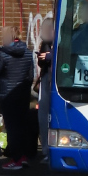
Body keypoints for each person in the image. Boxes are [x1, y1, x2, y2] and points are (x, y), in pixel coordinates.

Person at [0, 25, 34, 170]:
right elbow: (31, 76)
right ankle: (24, 156)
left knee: (12, 128)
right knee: (22, 126)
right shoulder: (28, 53)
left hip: (7, 96)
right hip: (22, 95)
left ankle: (16, 159)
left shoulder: (3, 54)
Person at [35, 18, 55, 156]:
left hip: (54, 81)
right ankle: (46, 149)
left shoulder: (59, 42)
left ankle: (49, 150)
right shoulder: (45, 44)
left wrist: (50, 56)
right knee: (43, 115)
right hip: (46, 79)